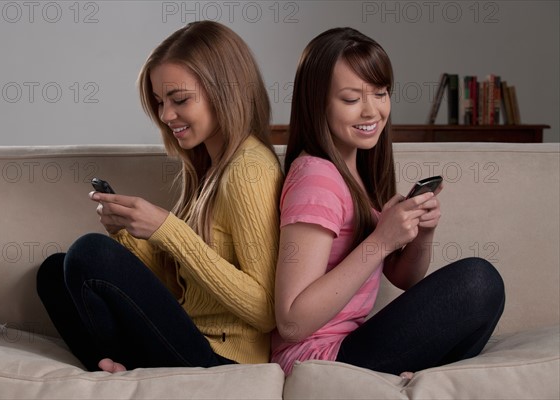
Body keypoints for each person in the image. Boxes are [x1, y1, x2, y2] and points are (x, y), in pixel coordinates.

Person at [37, 20, 283, 372]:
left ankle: (110, 366)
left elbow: (266, 311)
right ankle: (110, 367)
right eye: (159, 101)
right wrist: (128, 231)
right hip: (187, 334)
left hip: (222, 358)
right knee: (52, 271)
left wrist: (166, 229)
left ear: (224, 92)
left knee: (89, 254)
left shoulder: (250, 169)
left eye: (179, 99)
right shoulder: (205, 166)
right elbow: (178, 287)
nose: (166, 115)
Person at [271, 27, 505, 377]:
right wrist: (380, 241)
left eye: (380, 93)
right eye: (351, 99)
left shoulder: (357, 171)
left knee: (483, 289)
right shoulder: (315, 177)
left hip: (350, 344)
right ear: (316, 103)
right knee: (477, 281)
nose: (371, 111)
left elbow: (404, 278)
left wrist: (419, 232)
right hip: (318, 358)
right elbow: (291, 321)